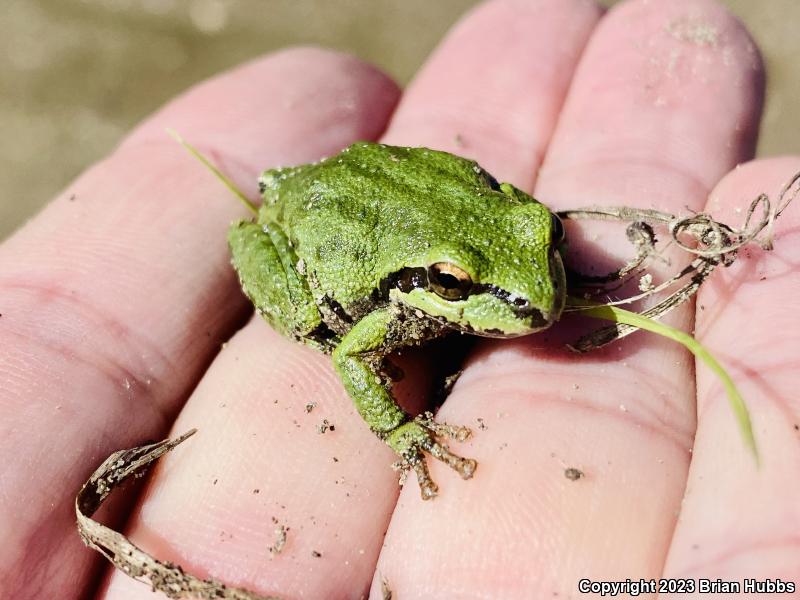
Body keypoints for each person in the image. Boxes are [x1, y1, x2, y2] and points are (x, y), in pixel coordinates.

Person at [2, 0, 798, 597]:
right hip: (309, 234)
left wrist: (524, 255)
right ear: (432, 287)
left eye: (546, 246)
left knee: (506, 265)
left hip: (406, 206)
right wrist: (399, 428)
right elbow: (354, 350)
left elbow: (512, 222)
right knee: (321, 318)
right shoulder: (391, 304)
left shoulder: (516, 249)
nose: (531, 302)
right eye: (457, 286)